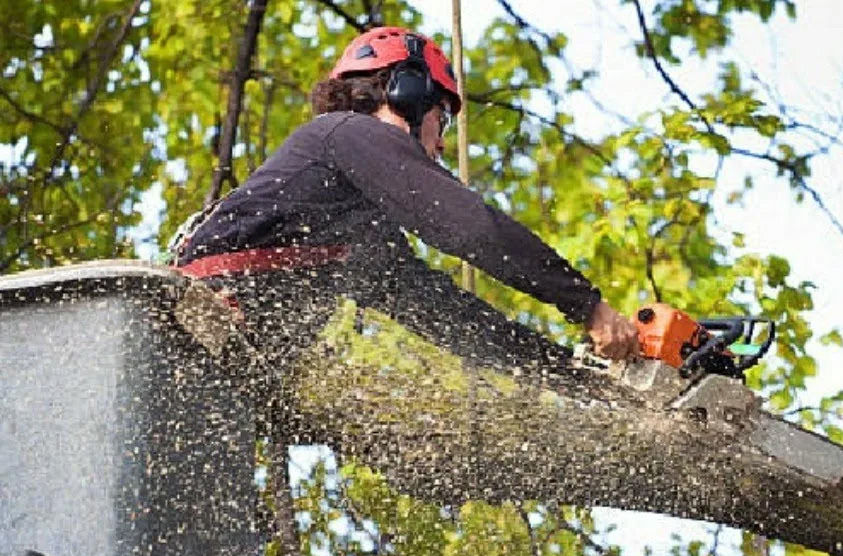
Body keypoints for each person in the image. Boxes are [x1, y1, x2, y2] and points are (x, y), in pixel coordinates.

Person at [169, 26, 639, 374]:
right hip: (193, 322)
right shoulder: (345, 133)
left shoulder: (357, 231)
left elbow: (450, 317)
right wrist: (587, 305)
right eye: (441, 120)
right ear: (407, 93)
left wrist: (573, 373)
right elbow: (472, 228)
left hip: (221, 359)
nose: (441, 143)